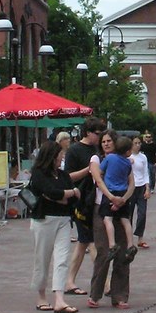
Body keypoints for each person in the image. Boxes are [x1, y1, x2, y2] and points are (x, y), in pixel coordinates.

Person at [27, 140, 80, 313]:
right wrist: (67, 194)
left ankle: (59, 299)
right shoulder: (39, 174)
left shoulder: (63, 175)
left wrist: (64, 195)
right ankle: (41, 296)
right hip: (44, 219)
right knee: (42, 259)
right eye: (59, 155)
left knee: (62, 258)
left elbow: (70, 196)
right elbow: (51, 192)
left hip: (64, 219)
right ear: (51, 156)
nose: (62, 158)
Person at [87, 130, 135, 309]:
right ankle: (95, 294)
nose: (106, 144)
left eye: (109, 141)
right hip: (102, 206)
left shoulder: (124, 161)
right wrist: (111, 197)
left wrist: (123, 199)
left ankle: (120, 295)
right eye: (103, 141)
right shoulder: (97, 159)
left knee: (122, 254)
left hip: (120, 205)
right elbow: (98, 180)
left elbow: (132, 183)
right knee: (103, 252)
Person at [63, 116, 105, 296]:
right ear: (88, 132)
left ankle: (70, 280)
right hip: (82, 200)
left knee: (84, 242)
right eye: (97, 134)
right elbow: (68, 177)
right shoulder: (74, 150)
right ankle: (104, 282)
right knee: (90, 241)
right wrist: (89, 170)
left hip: (95, 199)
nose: (100, 138)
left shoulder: (98, 148)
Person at [99, 136, 137, 264]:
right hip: (123, 192)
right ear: (127, 152)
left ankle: (112, 244)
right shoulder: (128, 163)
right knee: (125, 220)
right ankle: (131, 244)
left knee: (107, 219)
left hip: (110, 192)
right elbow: (128, 176)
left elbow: (100, 171)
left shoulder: (109, 158)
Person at [130, 135, 151, 249]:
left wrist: (147, 188)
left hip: (142, 186)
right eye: (135, 143)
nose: (138, 145)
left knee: (142, 213)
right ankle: (128, 239)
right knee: (129, 213)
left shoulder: (143, 157)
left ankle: (140, 237)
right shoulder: (128, 157)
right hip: (131, 187)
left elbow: (145, 172)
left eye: (139, 143)